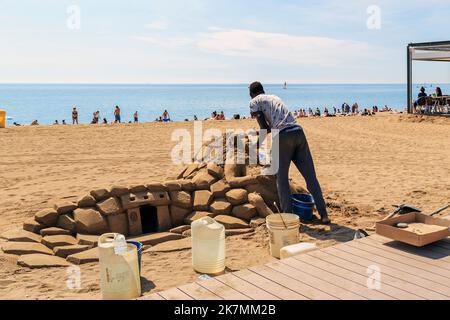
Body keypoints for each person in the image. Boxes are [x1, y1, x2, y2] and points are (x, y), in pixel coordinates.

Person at [248, 81, 330, 224]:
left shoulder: (254, 102)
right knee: (311, 177)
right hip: (298, 132)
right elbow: (270, 127)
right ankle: (324, 215)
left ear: (251, 94)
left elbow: (264, 127)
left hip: (282, 136)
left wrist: (255, 145)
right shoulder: (273, 97)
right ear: (263, 90)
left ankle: (288, 217)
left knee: (282, 180)